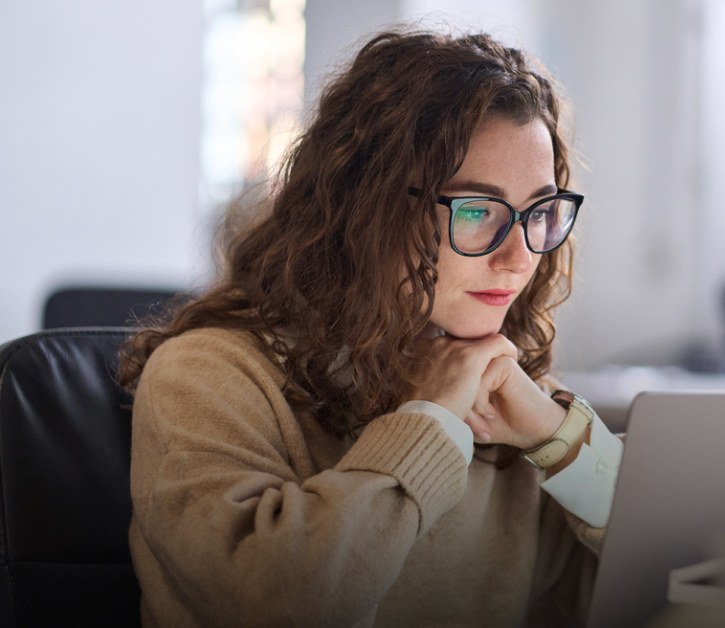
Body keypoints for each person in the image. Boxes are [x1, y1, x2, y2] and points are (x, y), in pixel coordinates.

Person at [118, 28, 622, 628]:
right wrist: (430, 422)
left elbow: (685, 578)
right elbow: (284, 605)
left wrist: (559, 438)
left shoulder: (503, 391)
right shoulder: (205, 377)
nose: (518, 257)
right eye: (476, 210)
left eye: (538, 212)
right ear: (367, 208)